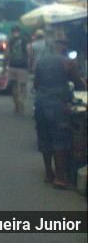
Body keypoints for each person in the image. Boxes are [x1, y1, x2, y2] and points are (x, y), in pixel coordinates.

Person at [34, 38, 87, 190]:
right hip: (57, 106)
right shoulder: (67, 62)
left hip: (40, 104)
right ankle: (60, 177)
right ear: (64, 48)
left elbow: (36, 84)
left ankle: (48, 173)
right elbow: (79, 84)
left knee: (44, 136)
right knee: (59, 139)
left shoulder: (41, 61)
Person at [3, 25, 30, 113]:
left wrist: (5, 66)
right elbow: (29, 53)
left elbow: (6, 54)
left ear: (12, 32)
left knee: (14, 86)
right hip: (23, 66)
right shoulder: (25, 40)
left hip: (13, 65)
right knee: (22, 86)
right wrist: (29, 62)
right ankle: (21, 99)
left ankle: (17, 106)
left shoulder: (9, 40)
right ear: (19, 31)